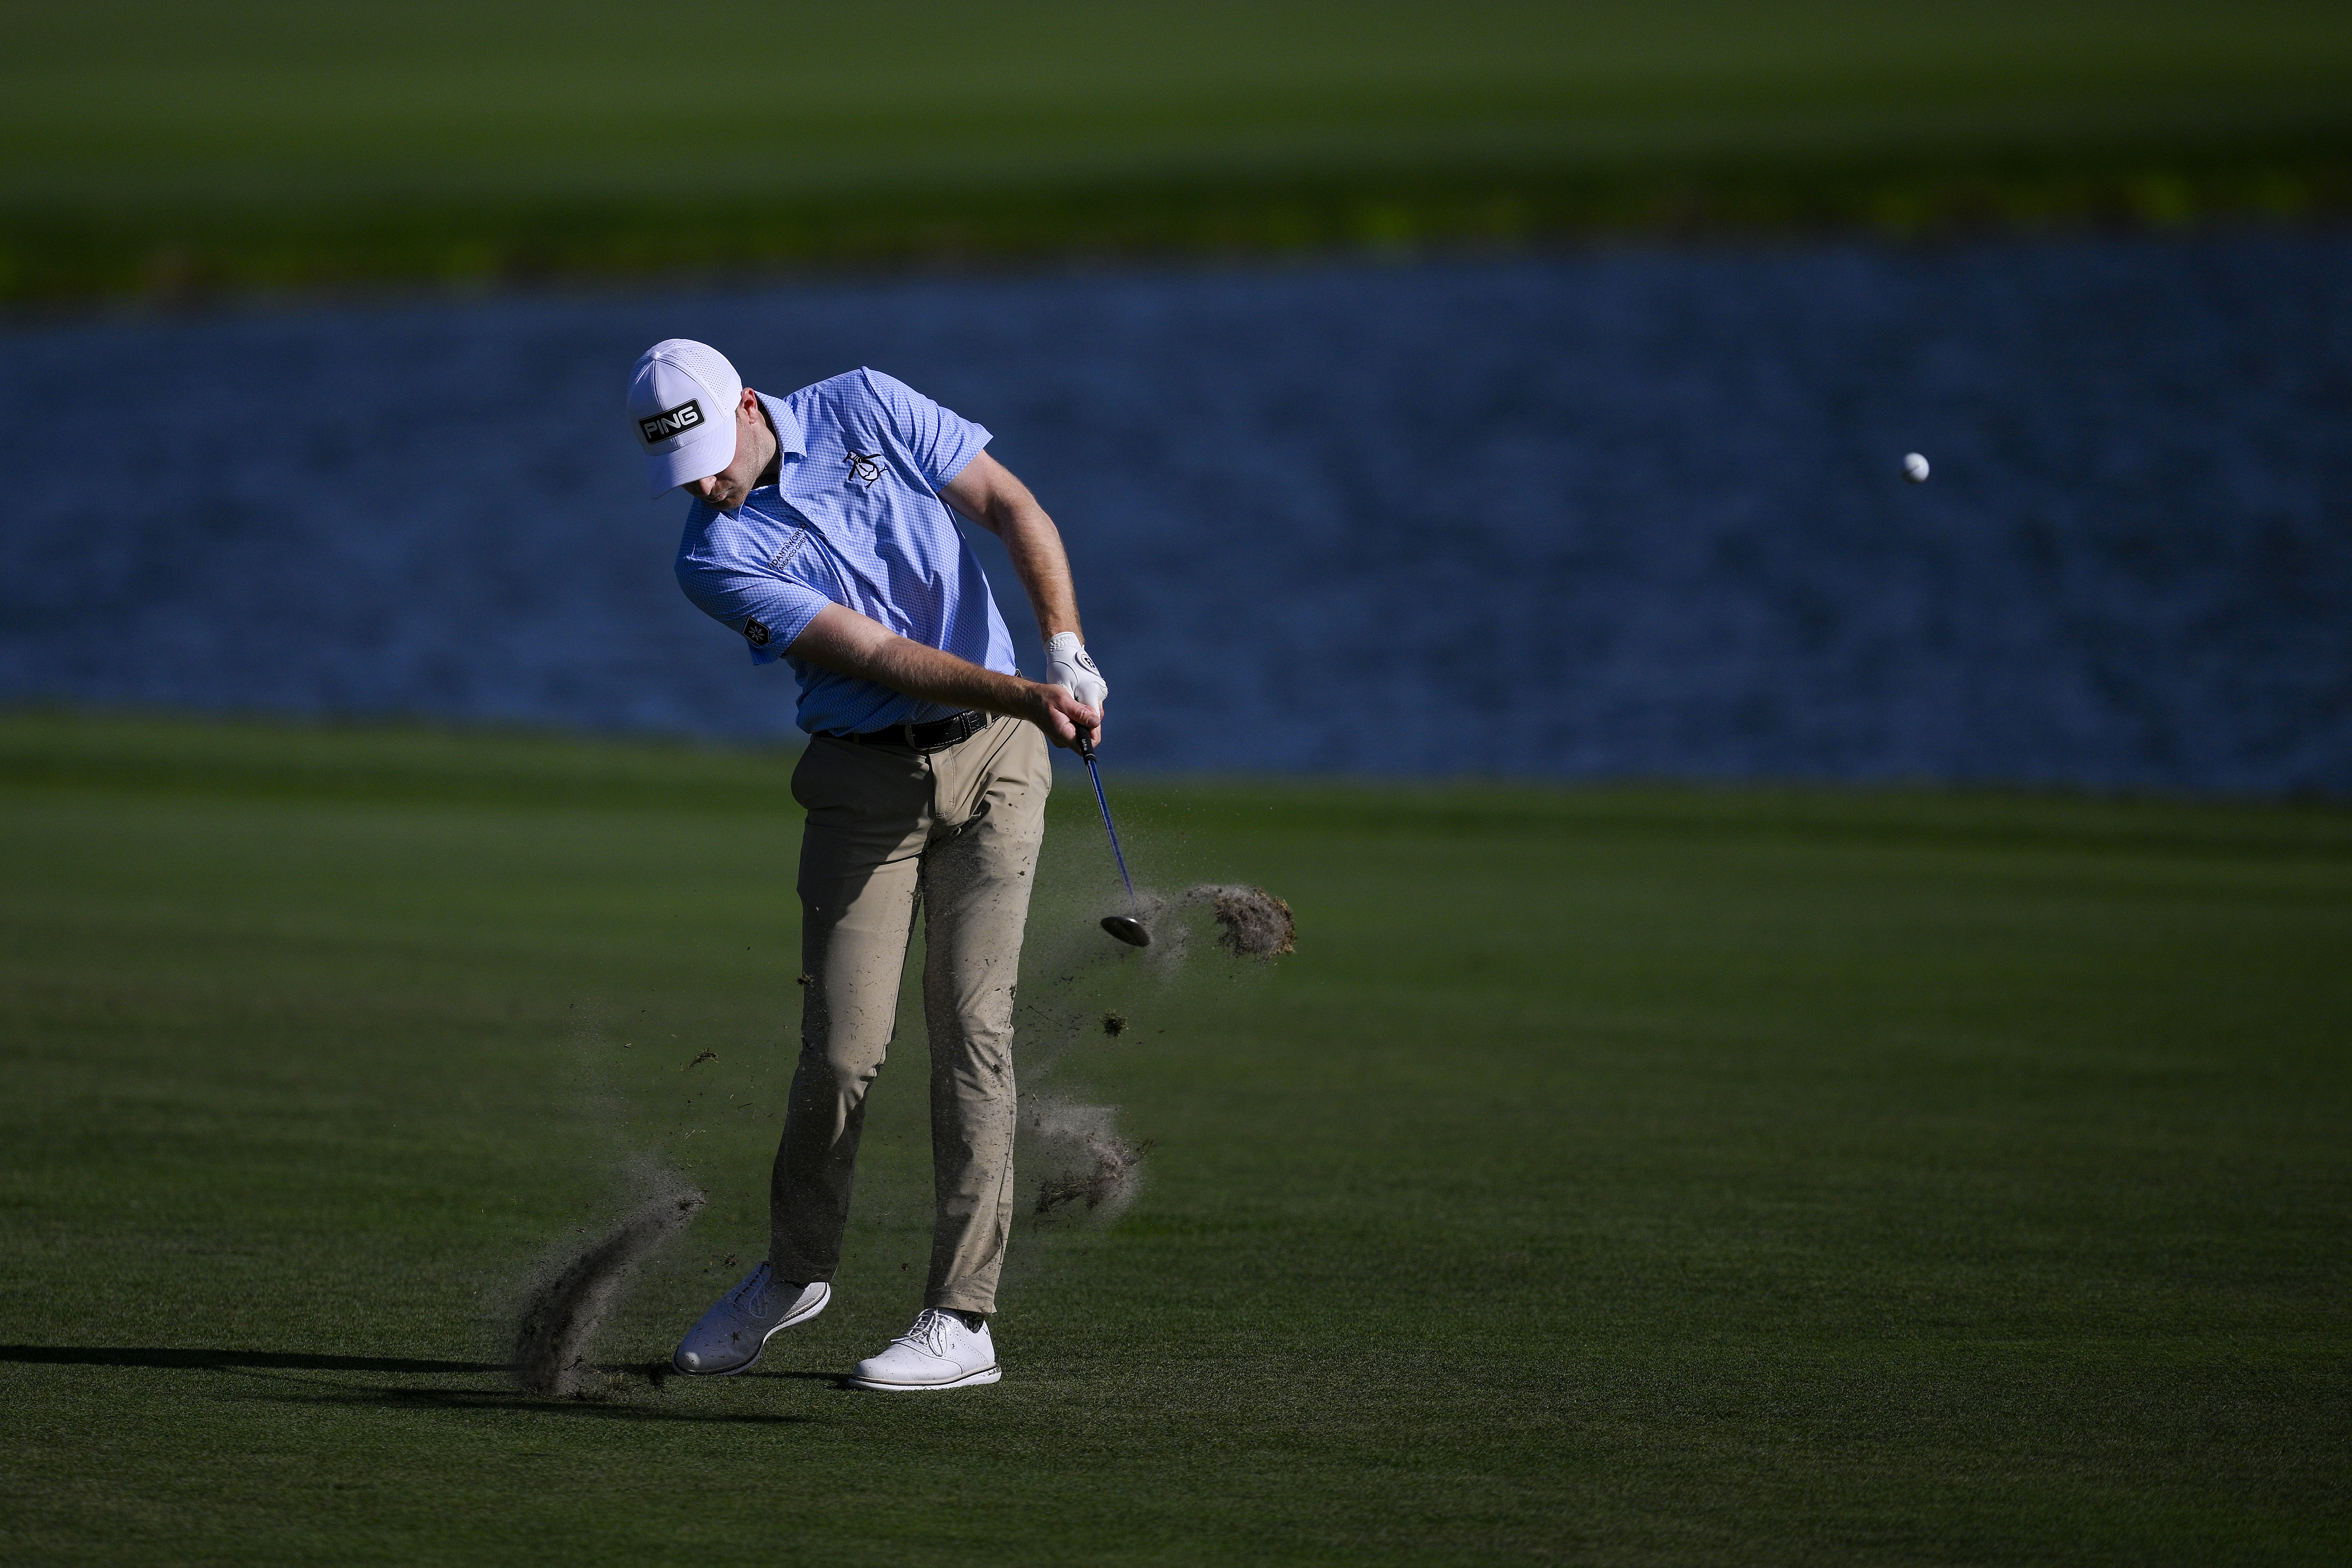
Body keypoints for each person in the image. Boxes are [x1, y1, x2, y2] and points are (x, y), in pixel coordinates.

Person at [625, 339, 1107, 1391]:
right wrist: (1025, 692)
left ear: (748, 403)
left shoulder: (867, 405)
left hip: (999, 769)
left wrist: (1062, 648)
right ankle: (794, 1274)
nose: (708, 483)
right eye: (685, 474)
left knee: (973, 1029)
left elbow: (1014, 508)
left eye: (713, 452)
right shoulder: (711, 560)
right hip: (862, 786)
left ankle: (960, 1319)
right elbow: (880, 658)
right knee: (843, 1051)